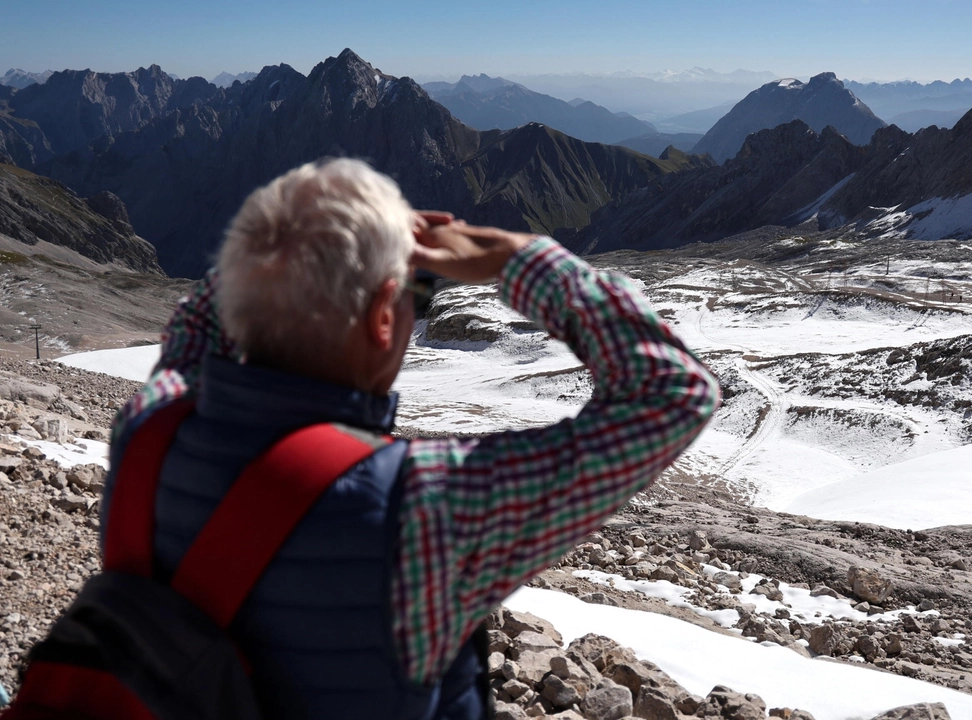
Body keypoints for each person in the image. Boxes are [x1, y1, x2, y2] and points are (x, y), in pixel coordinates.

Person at [102, 158, 720, 719]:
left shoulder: (149, 425)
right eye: (417, 295)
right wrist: (519, 255)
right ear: (382, 317)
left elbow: (193, 327)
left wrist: (292, 243)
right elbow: (673, 393)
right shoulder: (424, 502)